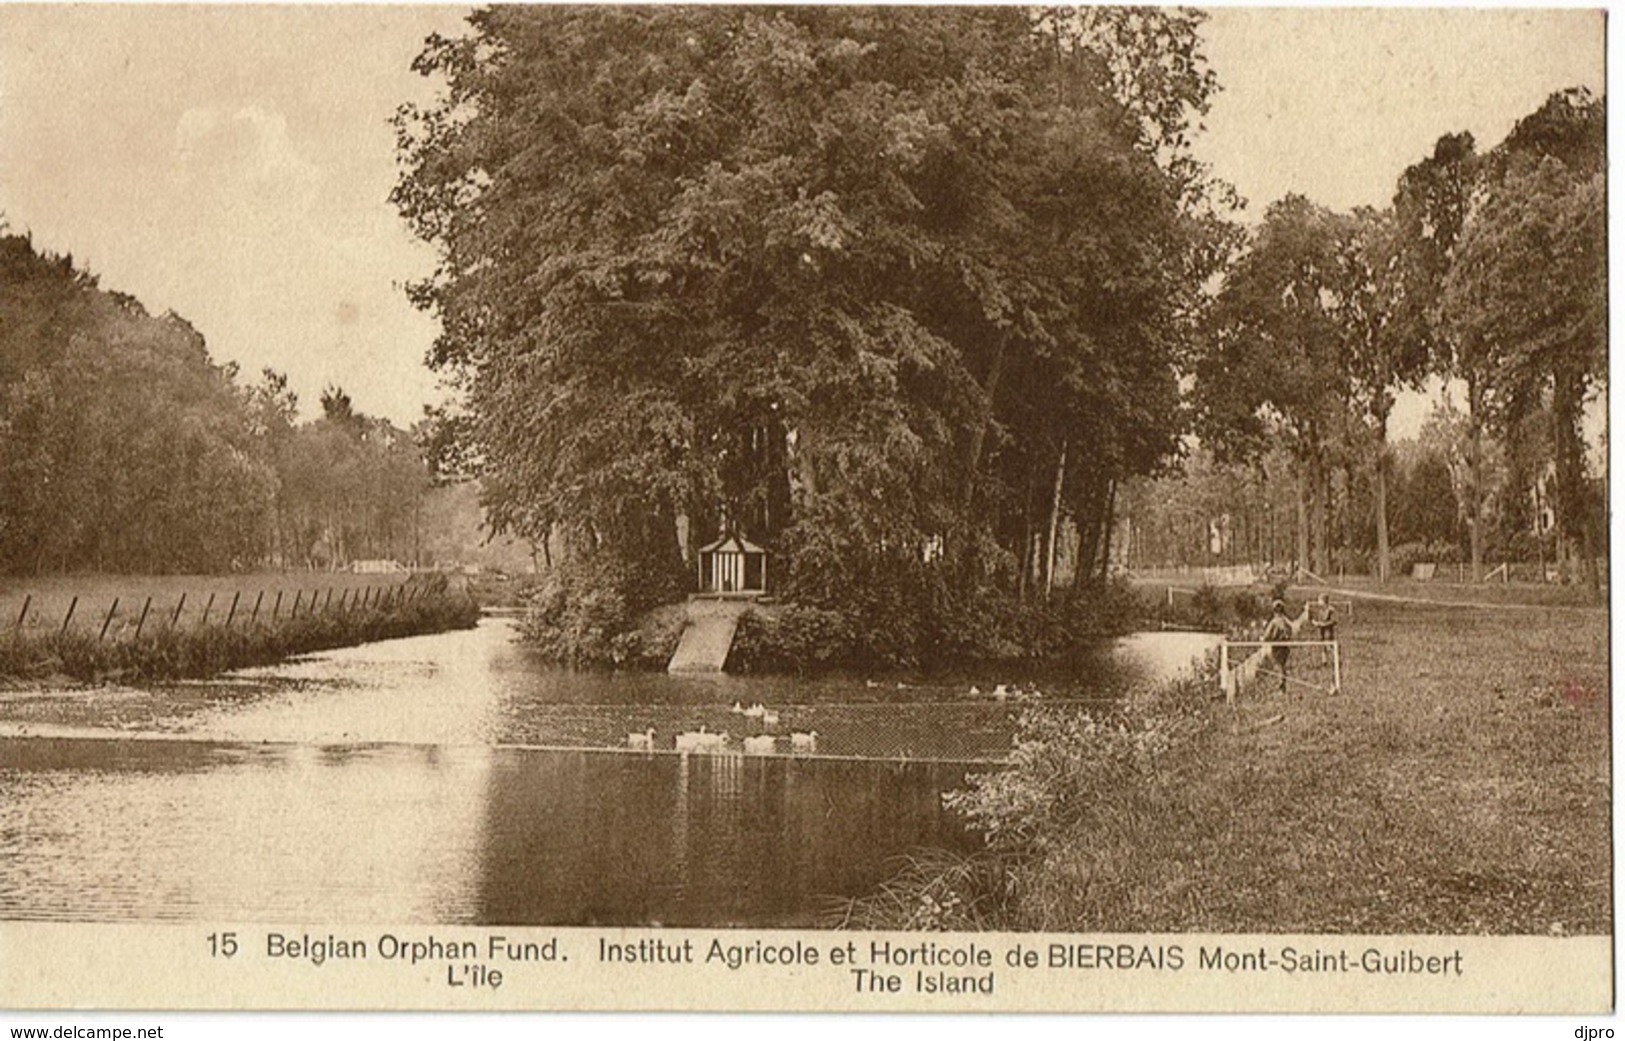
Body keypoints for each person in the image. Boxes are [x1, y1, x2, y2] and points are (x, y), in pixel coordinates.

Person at [1261, 598, 1295, 696]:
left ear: (1274, 610)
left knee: (1279, 667)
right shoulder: (1285, 620)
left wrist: (1263, 638)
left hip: (1277, 646)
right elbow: (1291, 631)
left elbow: (1267, 636)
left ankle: (1281, 688)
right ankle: (1282, 687)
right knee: (1282, 667)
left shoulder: (1274, 622)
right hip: (1285, 646)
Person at [1310, 593, 1337, 664]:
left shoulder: (1331, 610)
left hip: (1328, 630)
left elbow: (1334, 621)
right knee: (1322, 646)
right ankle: (1324, 661)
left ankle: (1335, 658)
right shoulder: (1320, 610)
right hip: (1321, 630)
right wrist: (1315, 622)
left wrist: (1321, 624)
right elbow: (1320, 619)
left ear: (1323, 601)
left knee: (1328, 645)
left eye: (1319, 600)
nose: (1318, 602)